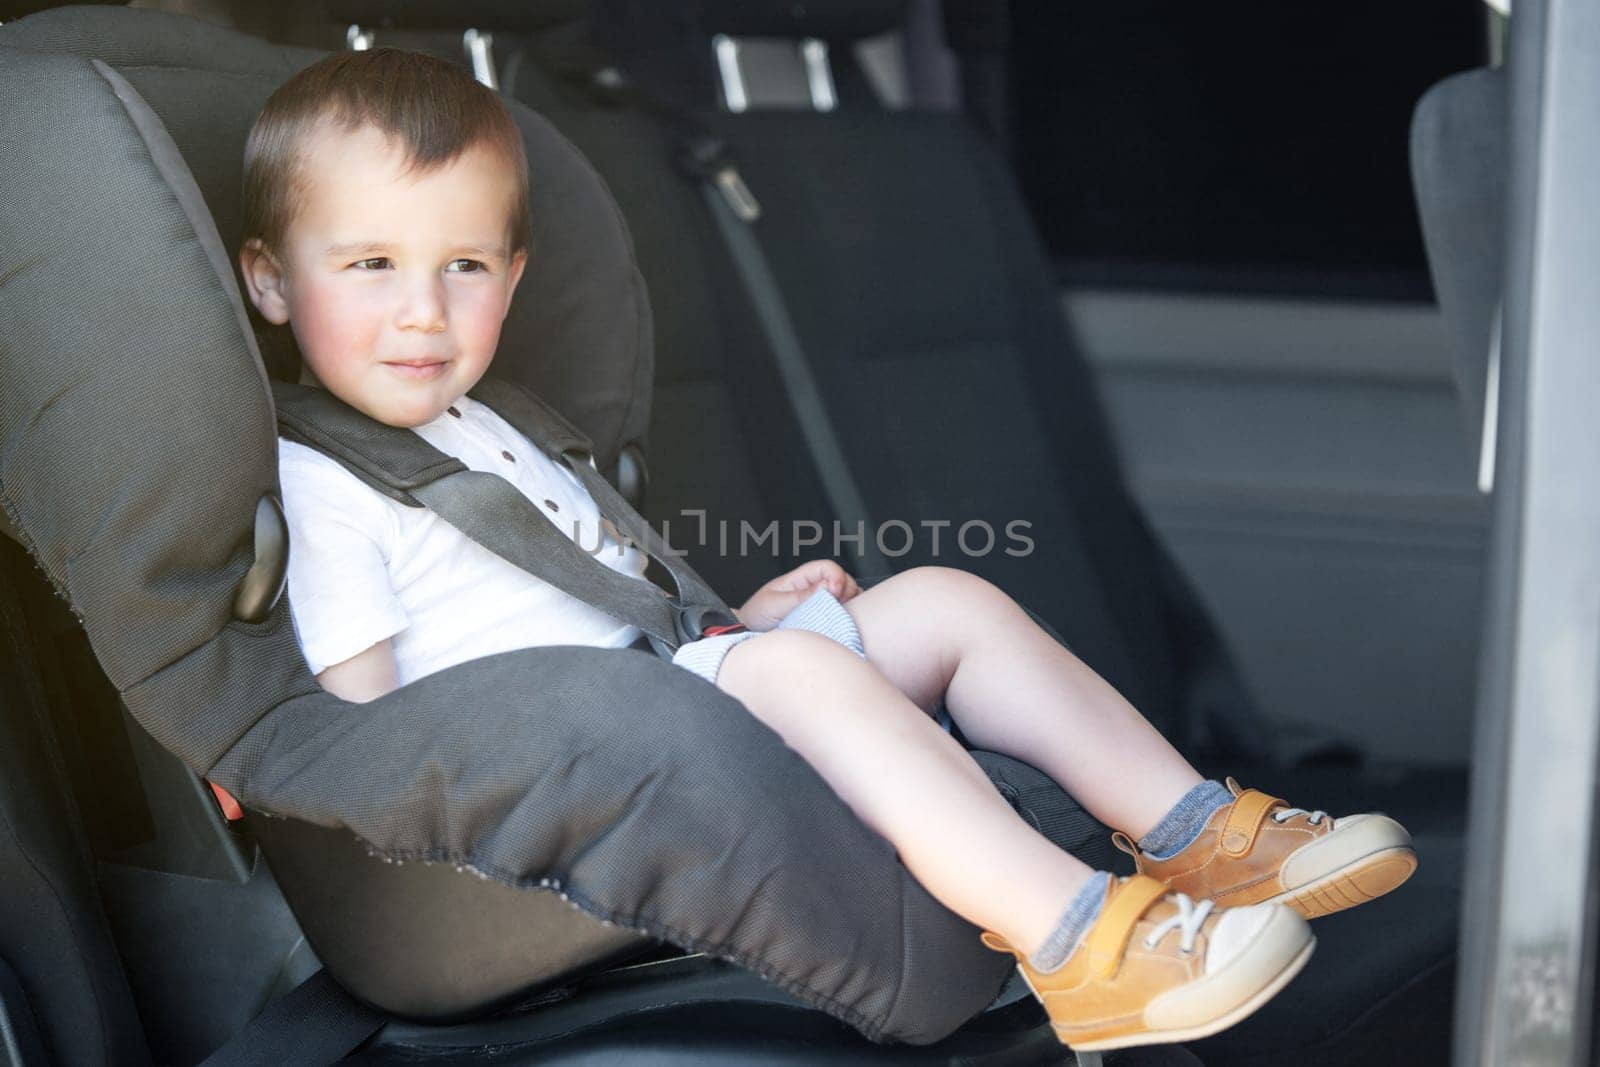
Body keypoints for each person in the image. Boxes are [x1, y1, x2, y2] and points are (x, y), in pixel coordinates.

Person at [239, 48, 1416, 1053]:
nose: (422, 312)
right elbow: (370, 742)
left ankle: (1198, 832)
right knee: (800, 672)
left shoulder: (494, 426)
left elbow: (601, 611)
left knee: (943, 600)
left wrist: (738, 630)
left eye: (465, 266)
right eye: (369, 265)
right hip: (555, 792)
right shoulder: (323, 481)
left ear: (515, 274)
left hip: (659, 703)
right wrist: (260, 757)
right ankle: (1080, 940)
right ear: (271, 281)